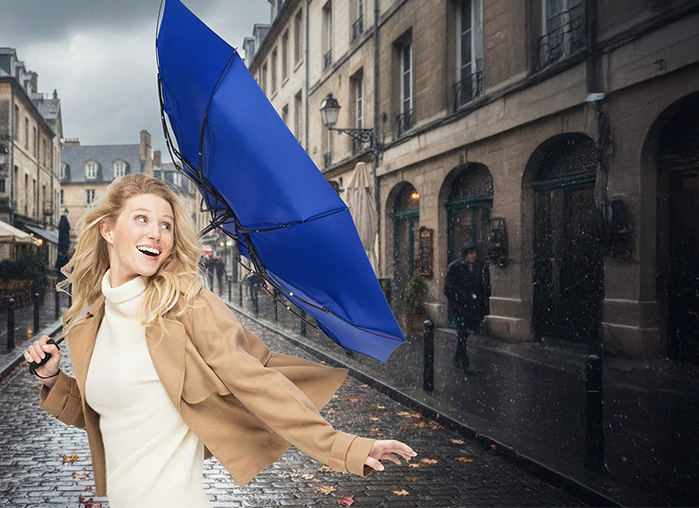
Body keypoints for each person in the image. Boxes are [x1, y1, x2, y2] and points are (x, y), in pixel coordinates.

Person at [24, 174, 416, 507]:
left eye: (166, 224)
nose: (156, 233)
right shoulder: (90, 321)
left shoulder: (185, 307)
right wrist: (52, 380)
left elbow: (256, 382)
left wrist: (345, 446)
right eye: (141, 218)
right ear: (107, 229)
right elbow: (105, 416)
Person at [443, 241, 486, 371]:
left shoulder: (475, 267)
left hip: (470, 307)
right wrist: (462, 297)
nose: (473, 256)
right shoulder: (454, 267)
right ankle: (465, 363)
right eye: (470, 253)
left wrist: (477, 299)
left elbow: (477, 286)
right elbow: (447, 289)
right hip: (459, 307)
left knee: (465, 334)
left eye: (474, 253)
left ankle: (457, 357)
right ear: (464, 254)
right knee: (462, 333)